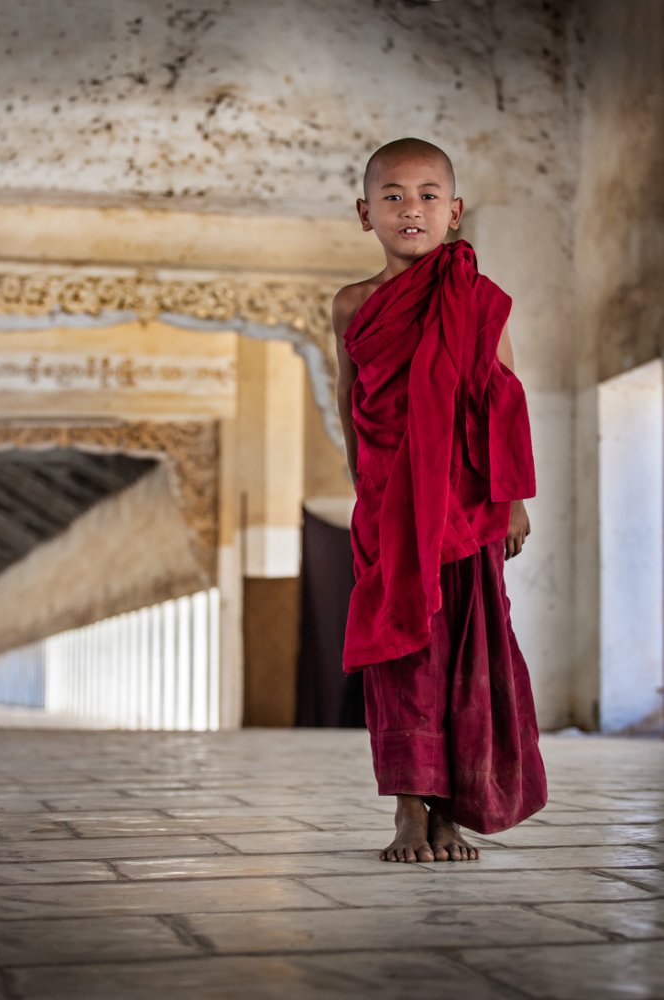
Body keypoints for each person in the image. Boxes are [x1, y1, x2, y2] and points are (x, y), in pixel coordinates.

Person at [332, 137, 547, 863]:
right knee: (401, 649)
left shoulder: (476, 300)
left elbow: (502, 399)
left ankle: (451, 809)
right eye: (391, 196)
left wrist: (513, 498)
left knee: (465, 653)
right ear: (366, 214)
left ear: (453, 213)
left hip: (464, 504)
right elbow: (347, 401)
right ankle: (406, 810)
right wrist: (366, 490)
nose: (410, 209)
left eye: (427, 196)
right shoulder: (352, 305)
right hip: (391, 508)